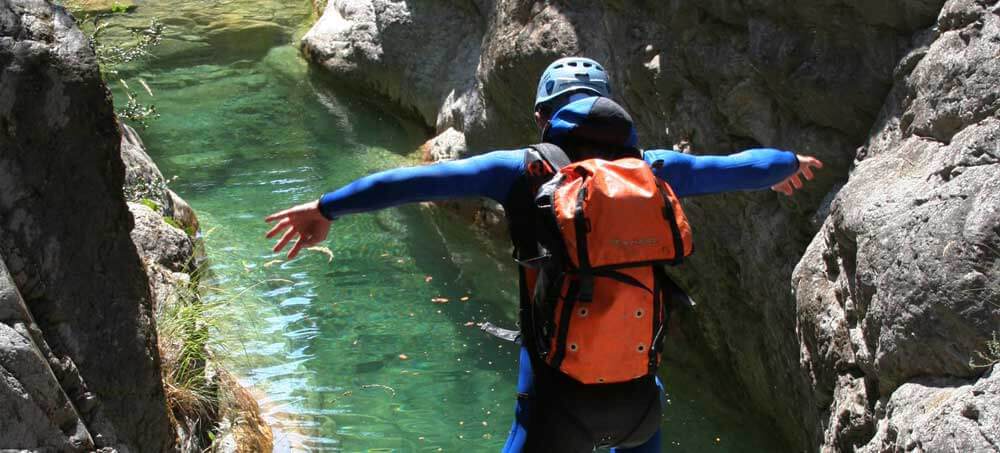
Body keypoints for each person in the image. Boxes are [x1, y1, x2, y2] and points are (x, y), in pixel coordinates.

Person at [266, 57, 822, 452]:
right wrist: (788, 163)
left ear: (542, 116)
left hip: (555, 405)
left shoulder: (523, 169)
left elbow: (412, 183)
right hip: (640, 404)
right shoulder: (653, 169)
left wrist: (326, 208)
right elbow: (742, 166)